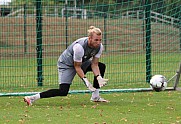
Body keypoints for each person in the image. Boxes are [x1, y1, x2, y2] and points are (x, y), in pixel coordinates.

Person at [24, 26, 109, 106]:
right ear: (89, 38)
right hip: (66, 64)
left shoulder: (100, 47)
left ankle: (95, 96)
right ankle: (32, 98)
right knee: (63, 91)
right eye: (96, 40)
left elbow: (94, 64)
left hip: (81, 62)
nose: (98, 43)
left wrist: (98, 77)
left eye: (100, 40)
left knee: (101, 66)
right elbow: (77, 67)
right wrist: (86, 81)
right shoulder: (79, 47)